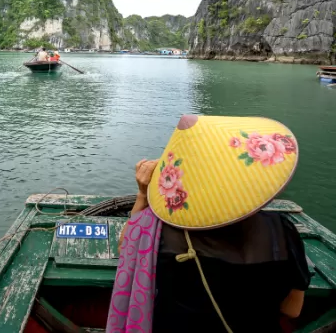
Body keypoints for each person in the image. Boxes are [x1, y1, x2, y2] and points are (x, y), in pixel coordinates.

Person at [108, 115, 309, 333]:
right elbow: (292, 310)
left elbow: (126, 249)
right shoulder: (282, 231)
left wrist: (142, 194)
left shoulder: (160, 229)